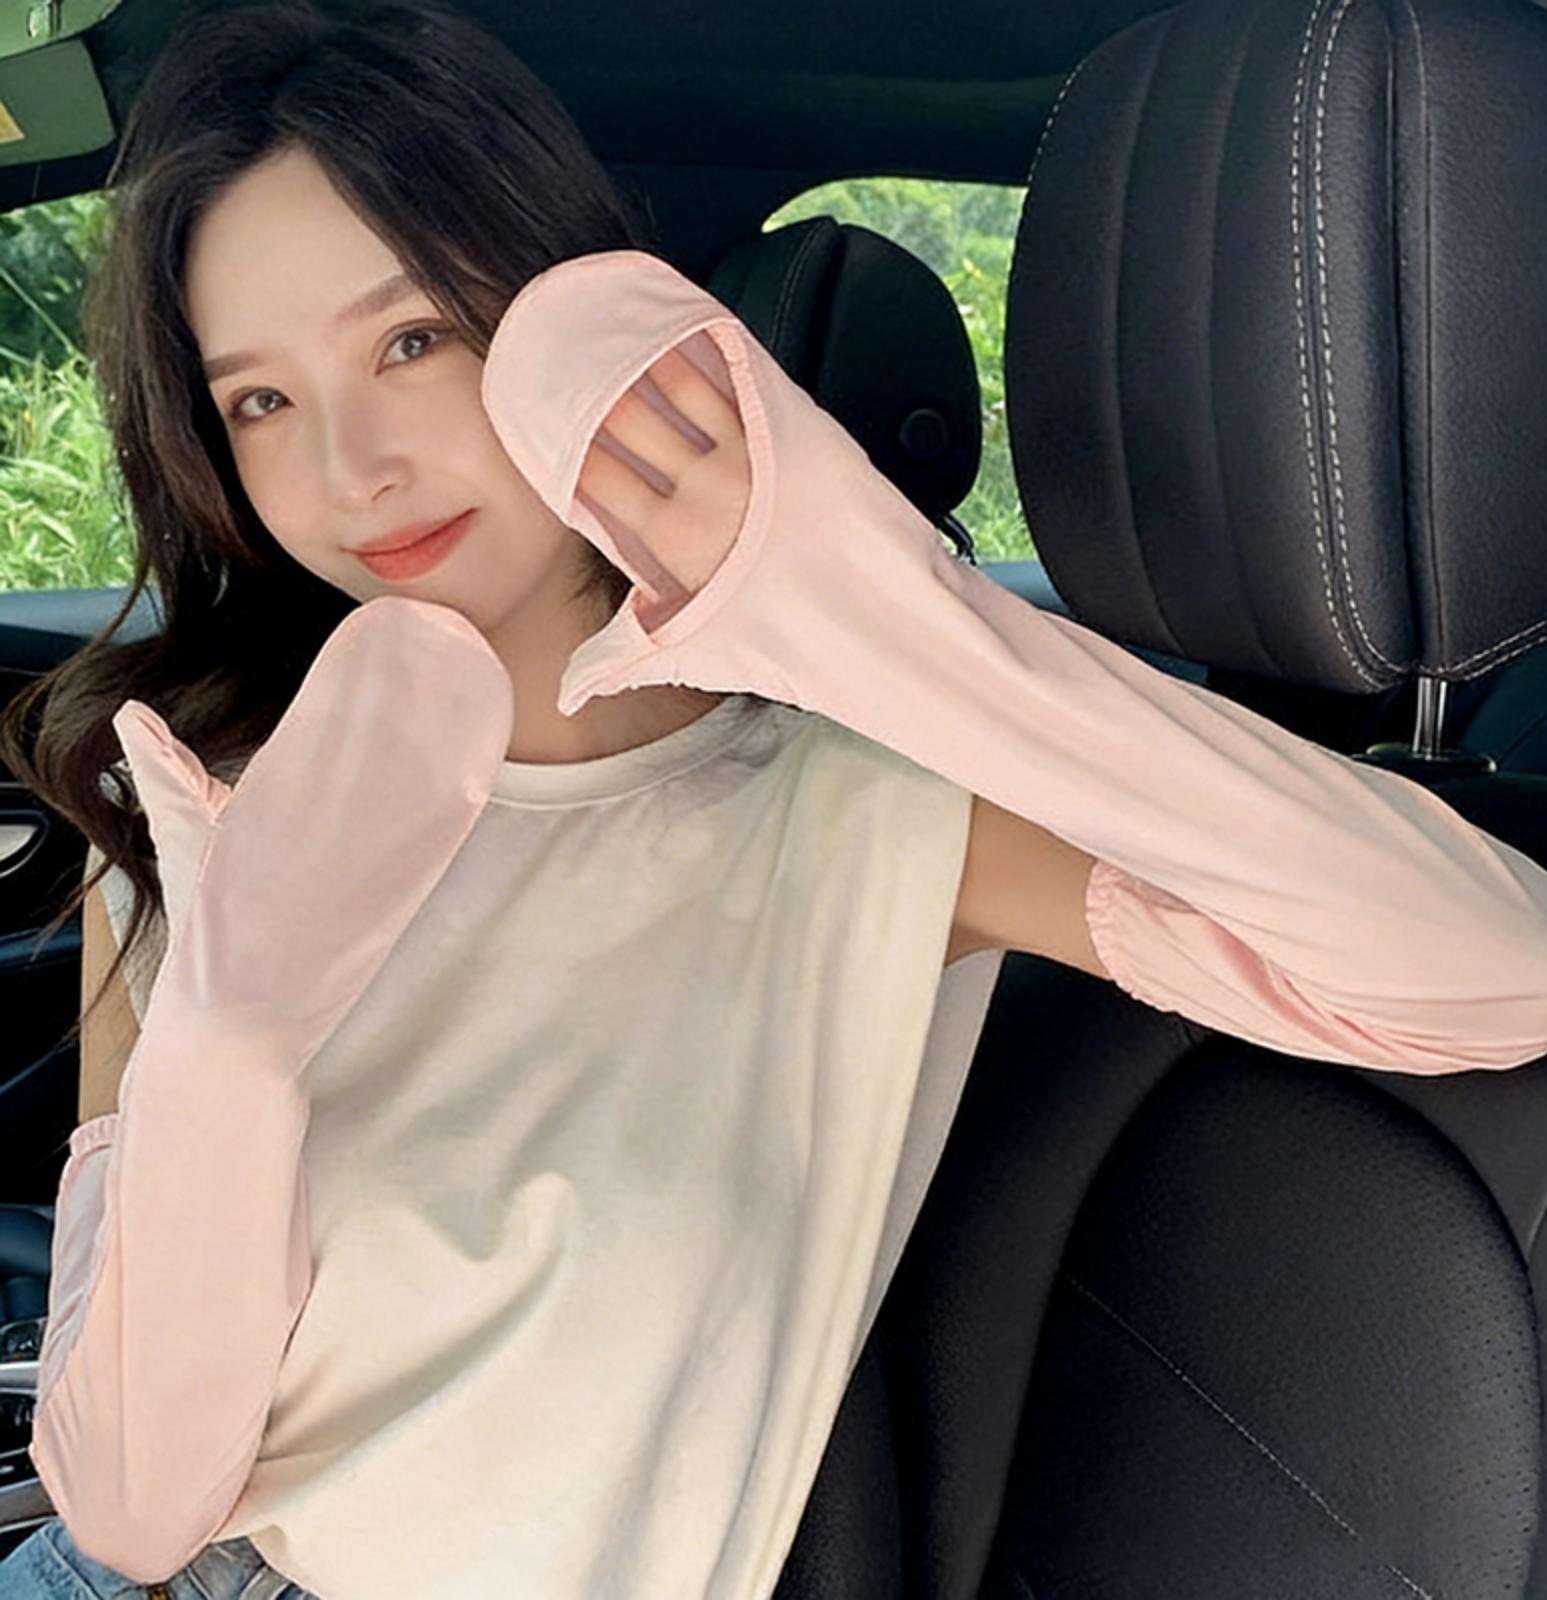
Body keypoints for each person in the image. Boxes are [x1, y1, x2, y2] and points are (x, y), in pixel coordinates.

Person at [0, 0, 1001, 1594]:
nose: (353, 470)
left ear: (571, 321)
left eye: (413, 340)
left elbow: (1442, 959)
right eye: (260, 400)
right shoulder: (201, 786)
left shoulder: (878, 809)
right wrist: (229, 1047)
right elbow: (133, 1503)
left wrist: (900, 609)